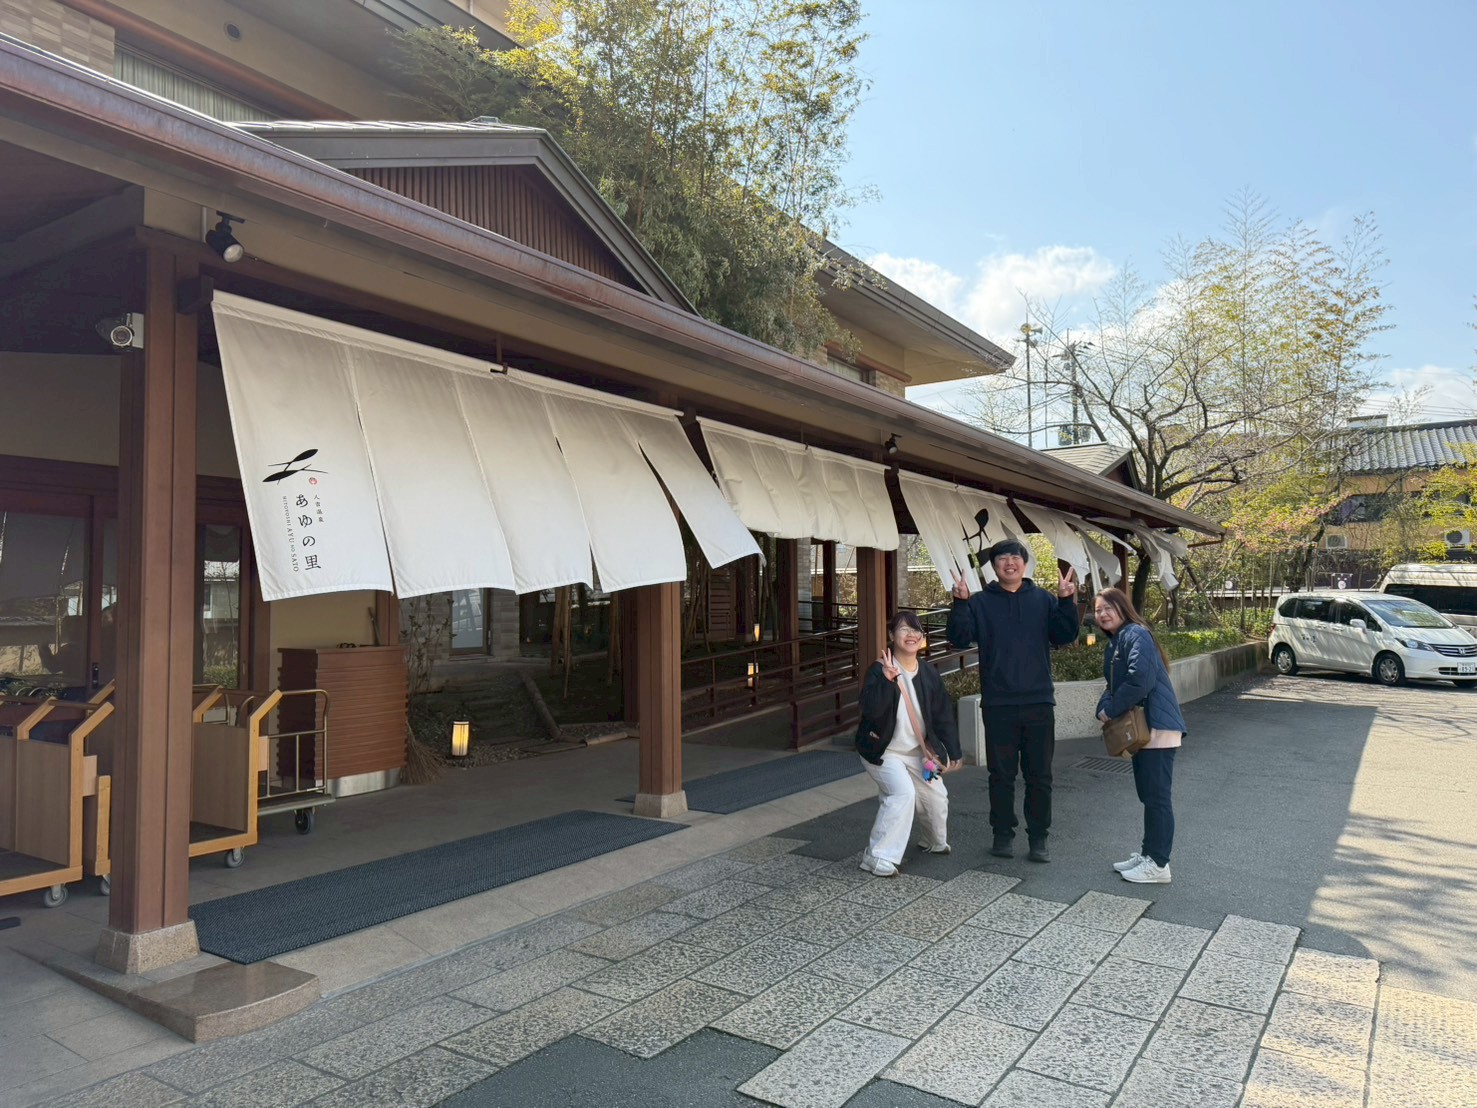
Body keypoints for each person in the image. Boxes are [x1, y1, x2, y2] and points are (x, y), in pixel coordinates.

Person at [946, 539, 1079, 862]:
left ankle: (1039, 838)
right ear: (994, 566)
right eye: (1002, 558)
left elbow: (1065, 635)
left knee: (1040, 776)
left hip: (1039, 702)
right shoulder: (980, 602)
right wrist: (960, 603)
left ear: (1024, 563)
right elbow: (958, 638)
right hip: (998, 703)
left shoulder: (1044, 600)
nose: (1010, 562)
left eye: (1015, 557)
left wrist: (1066, 601)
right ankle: (1002, 834)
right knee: (1001, 775)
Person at [854, 611, 962, 877]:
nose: (911, 635)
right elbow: (870, 711)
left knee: (936, 797)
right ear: (892, 635)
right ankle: (877, 856)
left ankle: (931, 840)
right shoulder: (879, 669)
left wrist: (953, 750)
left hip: (919, 753)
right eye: (904, 629)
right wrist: (886, 681)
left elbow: (943, 714)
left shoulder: (928, 672)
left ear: (922, 638)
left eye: (916, 630)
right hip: (884, 752)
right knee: (902, 794)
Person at [1093, 587, 1186, 885]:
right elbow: (1113, 686)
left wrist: (1111, 709)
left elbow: (1139, 680)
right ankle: (1149, 854)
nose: (1102, 614)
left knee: (1157, 798)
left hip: (1156, 726)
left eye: (1108, 608)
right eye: (1098, 610)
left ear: (1123, 608)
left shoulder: (1136, 634)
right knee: (1149, 795)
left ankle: (1158, 864)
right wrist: (1104, 707)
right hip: (1146, 728)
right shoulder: (1120, 640)